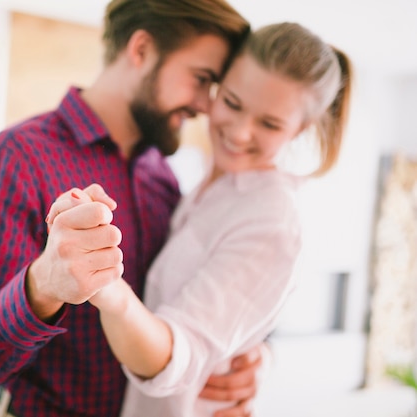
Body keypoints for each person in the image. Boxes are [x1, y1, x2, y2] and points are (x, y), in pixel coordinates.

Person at [0, 1, 265, 416]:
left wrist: (249, 361)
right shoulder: (15, 158)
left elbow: (192, 301)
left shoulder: (162, 176)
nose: (205, 105)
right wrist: (42, 287)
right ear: (142, 49)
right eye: (201, 79)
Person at [48, 21, 353, 417]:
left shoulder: (272, 217)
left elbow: (179, 357)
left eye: (269, 123)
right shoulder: (197, 186)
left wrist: (108, 287)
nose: (240, 132)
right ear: (216, 88)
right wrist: (257, 351)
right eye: (233, 102)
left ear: (301, 129)